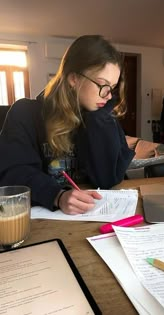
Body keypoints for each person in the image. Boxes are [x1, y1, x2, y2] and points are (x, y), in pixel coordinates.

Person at [0, 35, 135, 214]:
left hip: (94, 217)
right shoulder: (25, 114)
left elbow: (109, 179)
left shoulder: (102, 119)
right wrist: (57, 195)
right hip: (45, 220)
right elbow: (13, 173)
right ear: (73, 79)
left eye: (113, 88)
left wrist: (98, 119)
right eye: (103, 85)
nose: (109, 96)